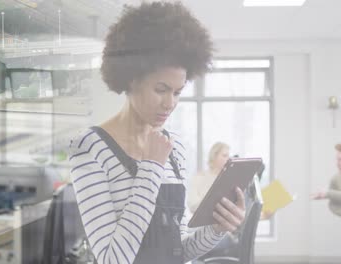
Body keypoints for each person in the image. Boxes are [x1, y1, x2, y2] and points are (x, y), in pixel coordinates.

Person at [68, 3, 246, 264]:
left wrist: (217, 229)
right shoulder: (89, 147)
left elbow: (180, 250)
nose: (170, 103)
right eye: (161, 89)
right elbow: (112, 259)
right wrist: (150, 168)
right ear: (132, 79)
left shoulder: (174, 150)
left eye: (177, 92)